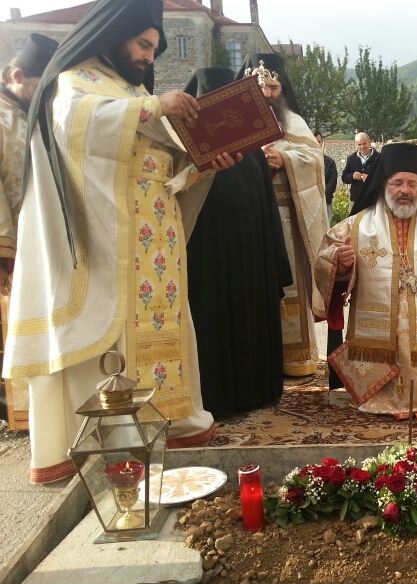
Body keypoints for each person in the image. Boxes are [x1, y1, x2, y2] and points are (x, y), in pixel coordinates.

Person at [2, 0, 239, 484]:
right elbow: (78, 123)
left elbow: (162, 167)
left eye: (154, 48)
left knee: (161, 327)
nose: (150, 56)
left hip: (155, 242)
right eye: (144, 44)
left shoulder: (128, 90)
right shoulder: (76, 81)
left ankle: (169, 420)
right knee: (110, 338)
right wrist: (155, 105)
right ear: (115, 34)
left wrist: (200, 165)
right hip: (105, 245)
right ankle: (109, 440)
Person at [315, 143, 417, 420]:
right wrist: (342, 265)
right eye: (397, 183)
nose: (404, 190)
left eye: (412, 184)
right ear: (384, 184)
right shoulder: (354, 227)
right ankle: (379, 387)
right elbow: (324, 261)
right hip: (378, 337)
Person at [184, 67, 293, 419]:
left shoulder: (253, 152)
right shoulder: (184, 152)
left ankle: (255, 391)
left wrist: (274, 262)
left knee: (249, 320)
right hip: (206, 258)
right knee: (211, 324)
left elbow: (267, 209)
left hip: (250, 256)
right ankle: (216, 397)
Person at [241, 53, 329, 377]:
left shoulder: (293, 121)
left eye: (272, 87)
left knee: (290, 284)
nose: (266, 94)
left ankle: (295, 358)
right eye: (259, 86)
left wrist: (285, 159)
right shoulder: (236, 120)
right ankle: (254, 360)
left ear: (282, 89)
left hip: (285, 218)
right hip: (247, 216)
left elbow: (315, 162)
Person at [0, 34, 58, 293]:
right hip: (10, 249)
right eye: (38, 88)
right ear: (17, 76)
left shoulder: (36, 117)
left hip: (39, 237)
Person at [341, 131, 379, 203]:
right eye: (359, 144)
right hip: (355, 200)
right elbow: (344, 178)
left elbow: (384, 178)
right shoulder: (351, 158)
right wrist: (352, 176)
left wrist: (371, 179)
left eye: (364, 143)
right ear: (356, 144)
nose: (362, 147)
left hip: (374, 200)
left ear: (369, 142)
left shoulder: (379, 158)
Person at [314, 129, 338, 223]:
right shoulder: (303, 163)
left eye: (319, 141)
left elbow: (332, 183)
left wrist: (320, 196)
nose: (316, 144)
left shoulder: (330, 162)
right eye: (313, 141)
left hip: (325, 202)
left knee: (326, 229)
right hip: (309, 204)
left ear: (322, 142)